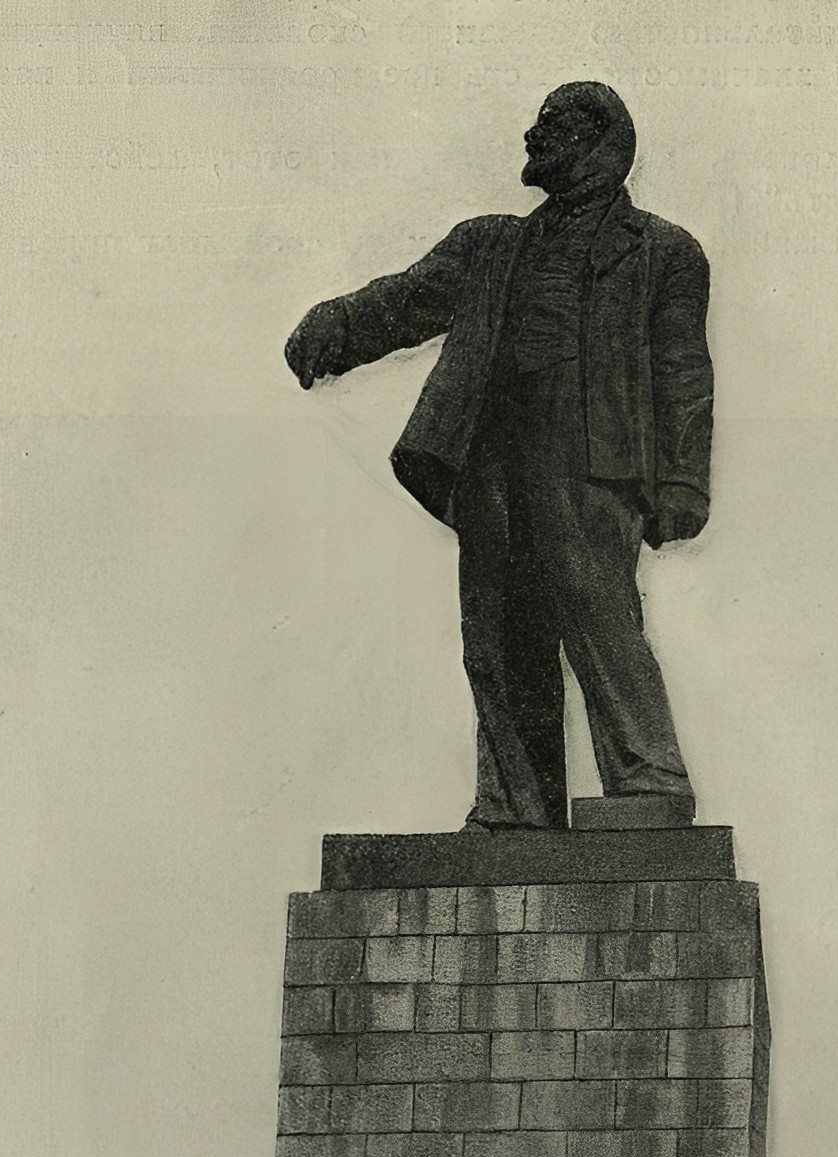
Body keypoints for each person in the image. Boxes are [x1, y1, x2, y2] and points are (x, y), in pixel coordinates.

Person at [284, 81, 713, 832]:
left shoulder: (664, 252)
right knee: (498, 638)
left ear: (597, 139)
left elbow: (681, 370)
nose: (530, 136)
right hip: (492, 457)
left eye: (549, 126)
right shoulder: (491, 243)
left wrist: (683, 480)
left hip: (591, 460)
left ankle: (651, 782)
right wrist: (337, 323)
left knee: (599, 617)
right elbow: (407, 300)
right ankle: (516, 806)